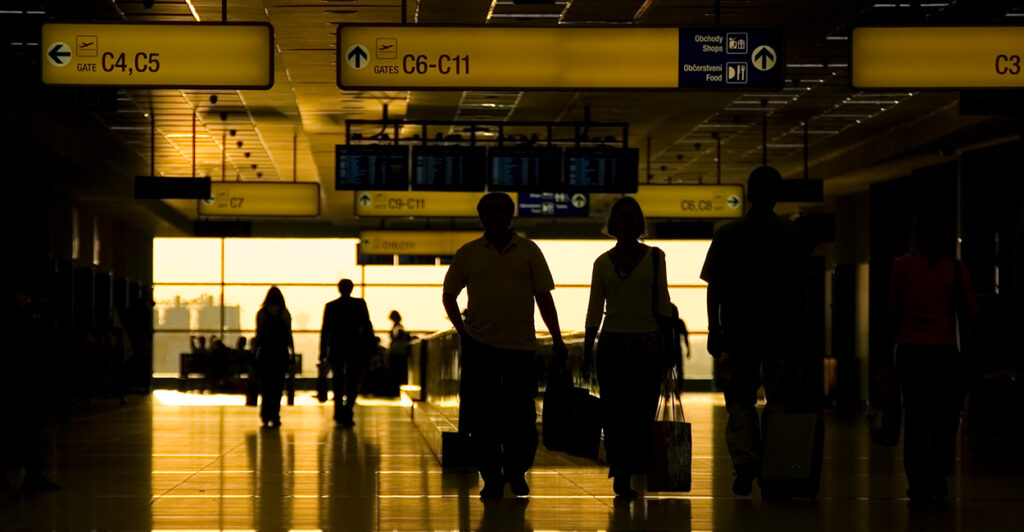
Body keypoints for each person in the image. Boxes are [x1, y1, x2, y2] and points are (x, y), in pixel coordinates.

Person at [442, 192, 569, 500]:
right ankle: (492, 476)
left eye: (501, 211)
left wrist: (556, 337)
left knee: (521, 417)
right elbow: (449, 295)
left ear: (511, 216)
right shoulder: (468, 253)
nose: (496, 217)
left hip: (520, 347)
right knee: (482, 418)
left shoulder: (528, 251)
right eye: (490, 212)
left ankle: (516, 471)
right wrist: (464, 332)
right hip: (480, 347)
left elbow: (544, 297)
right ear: (481, 217)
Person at [700, 166, 810, 496]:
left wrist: (713, 328)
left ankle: (745, 465)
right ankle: (775, 466)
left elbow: (714, 287)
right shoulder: (791, 236)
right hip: (781, 334)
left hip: (740, 332)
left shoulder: (728, 234)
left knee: (739, 399)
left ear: (749, 191)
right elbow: (801, 292)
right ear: (777, 195)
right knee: (779, 401)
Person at [583, 196, 675, 499]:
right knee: (615, 416)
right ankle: (622, 473)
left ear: (640, 223)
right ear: (613, 223)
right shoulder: (601, 263)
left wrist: (669, 346)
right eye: (621, 217)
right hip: (611, 345)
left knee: (641, 414)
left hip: (648, 345)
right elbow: (595, 308)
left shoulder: (656, 258)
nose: (626, 222)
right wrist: (587, 349)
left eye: (632, 217)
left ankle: (632, 467)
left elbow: (663, 303)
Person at [888, 214, 978, 501]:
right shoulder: (956, 268)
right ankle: (938, 477)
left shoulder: (901, 266)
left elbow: (893, 311)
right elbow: (970, 314)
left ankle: (917, 480)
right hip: (944, 351)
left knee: (914, 416)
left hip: (910, 350)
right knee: (945, 418)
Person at [320, 279, 375, 427]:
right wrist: (370, 348)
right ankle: (348, 410)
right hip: (354, 348)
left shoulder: (331, 306)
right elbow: (367, 326)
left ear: (339, 289)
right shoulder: (360, 304)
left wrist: (323, 353)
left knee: (338, 380)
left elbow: (325, 331)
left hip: (337, 348)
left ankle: (338, 412)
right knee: (353, 381)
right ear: (352, 289)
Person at [253, 286, 294, 428]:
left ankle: (265, 414)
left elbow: (258, 336)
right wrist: (292, 353)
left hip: (266, 353)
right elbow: (289, 335)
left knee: (265, 386)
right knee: (277, 387)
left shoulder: (262, 313)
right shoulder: (285, 313)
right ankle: (275, 415)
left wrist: (254, 353)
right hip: (280, 354)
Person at [388, 310, 413, 385]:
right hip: (400, 351)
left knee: (396, 372)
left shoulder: (397, 327)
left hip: (397, 352)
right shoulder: (399, 327)